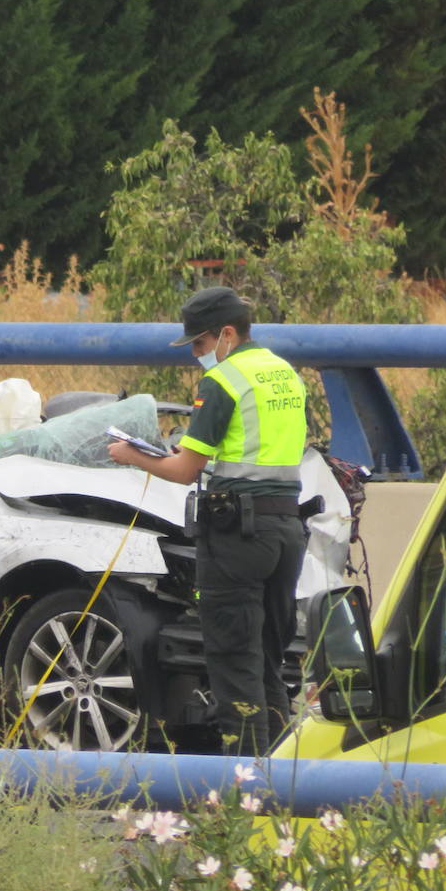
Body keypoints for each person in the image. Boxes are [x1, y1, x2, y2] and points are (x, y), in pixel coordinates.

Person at [107, 285, 307, 755]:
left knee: (234, 662)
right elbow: (252, 448)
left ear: (227, 335)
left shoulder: (225, 379)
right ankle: (284, 777)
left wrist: (132, 455)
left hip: (238, 534)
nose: (197, 354)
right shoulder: (285, 374)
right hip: (286, 530)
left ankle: (246, 790)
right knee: (266, 662)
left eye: (199, 344)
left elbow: (182, 471)